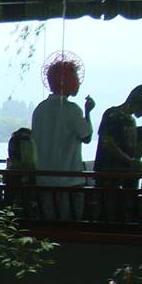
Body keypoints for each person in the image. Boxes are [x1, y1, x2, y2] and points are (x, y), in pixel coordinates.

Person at [30, 58, 94, 217]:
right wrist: (88, 112)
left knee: (48, 224)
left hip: (43, 180)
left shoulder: (40, 109)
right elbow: (86, 137)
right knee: (69, 224)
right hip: (69, 181)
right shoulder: (72, 110)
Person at [94, 83, 142, 185]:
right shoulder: (112, 114)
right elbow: (106, 142)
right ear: (139, 103)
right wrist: (130, 161)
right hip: (109, 175)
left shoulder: (130, 120)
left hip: (124, 175)